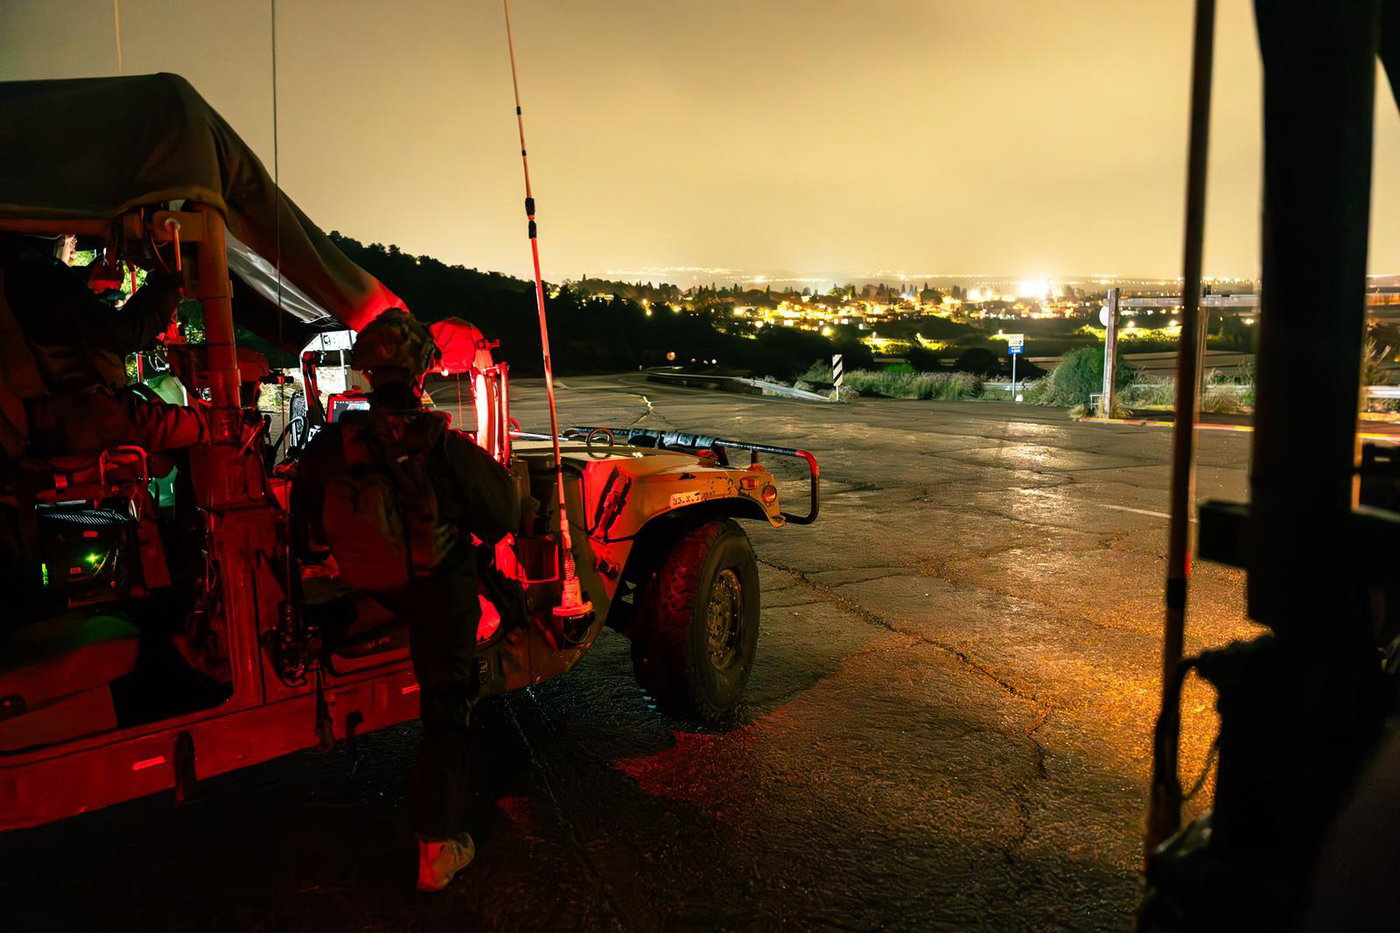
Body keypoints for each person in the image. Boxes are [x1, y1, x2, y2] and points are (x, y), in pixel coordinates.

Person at [291, 309, 520, 893]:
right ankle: (436, 852)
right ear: (422, 374)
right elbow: (500, 516)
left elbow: (303, 534)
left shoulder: (331, 444)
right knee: (448, 711)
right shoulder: (440, 444)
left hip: (370, 590)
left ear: (366, 372)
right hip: (437, 597)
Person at [0, 233, 206, 456]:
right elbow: (122, 334)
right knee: (191, 429)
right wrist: (170, 279)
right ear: (49, 235)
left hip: (51, 423)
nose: (74, 247)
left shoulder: (19, 271)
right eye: (71, 238)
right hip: (76, 419)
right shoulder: (35, 273)